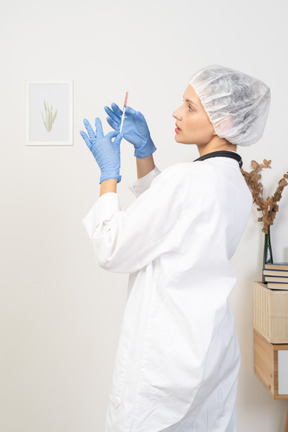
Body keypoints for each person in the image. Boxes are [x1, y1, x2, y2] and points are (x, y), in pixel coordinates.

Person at [80, 64, 271, 432]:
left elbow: (111, 247)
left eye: (190, 106)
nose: (176, 113)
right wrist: (145, 152)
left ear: (224, 121)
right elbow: (170, 223)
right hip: (208, 351)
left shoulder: (188, 181)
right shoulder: (234, 183)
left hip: (163, 361)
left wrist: (108, 176)